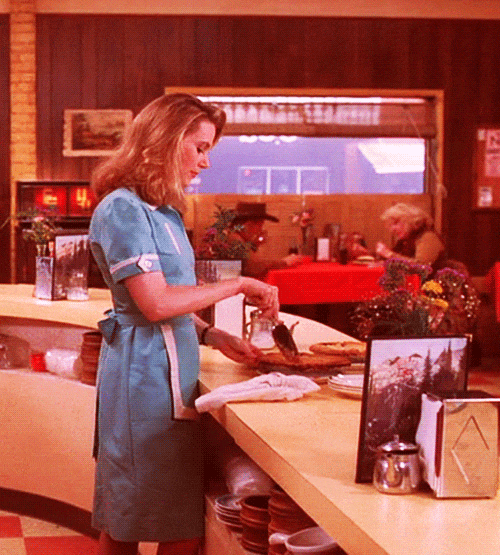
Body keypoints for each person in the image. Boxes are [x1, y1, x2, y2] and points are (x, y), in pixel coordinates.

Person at [88, 93, 279, 555]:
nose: (205, 162)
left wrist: (212, 335)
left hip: (168, 375)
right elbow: (154, 304)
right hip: (141, 381)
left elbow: (171, 301)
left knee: (167, 520)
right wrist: (237, 285)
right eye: (200, 147)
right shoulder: (122, 209)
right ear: (165, 140)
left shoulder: (166, 213)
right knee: (133, 520)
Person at [230, 202, 307, 279]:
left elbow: (244, 264)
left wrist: (254, 245)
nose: (260, 230)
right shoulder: (233, 239)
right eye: (260, 225)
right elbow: (252, 267)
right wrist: (284, 262)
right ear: (247, 225)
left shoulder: (235, 237)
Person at [375, 203, 446, 272]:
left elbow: (422, 267)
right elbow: (395, 258)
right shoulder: (406, 239)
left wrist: (389, 254)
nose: (392, 229)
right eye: (390, 225)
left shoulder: (428, 236)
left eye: (396, 223)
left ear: (411, 220)